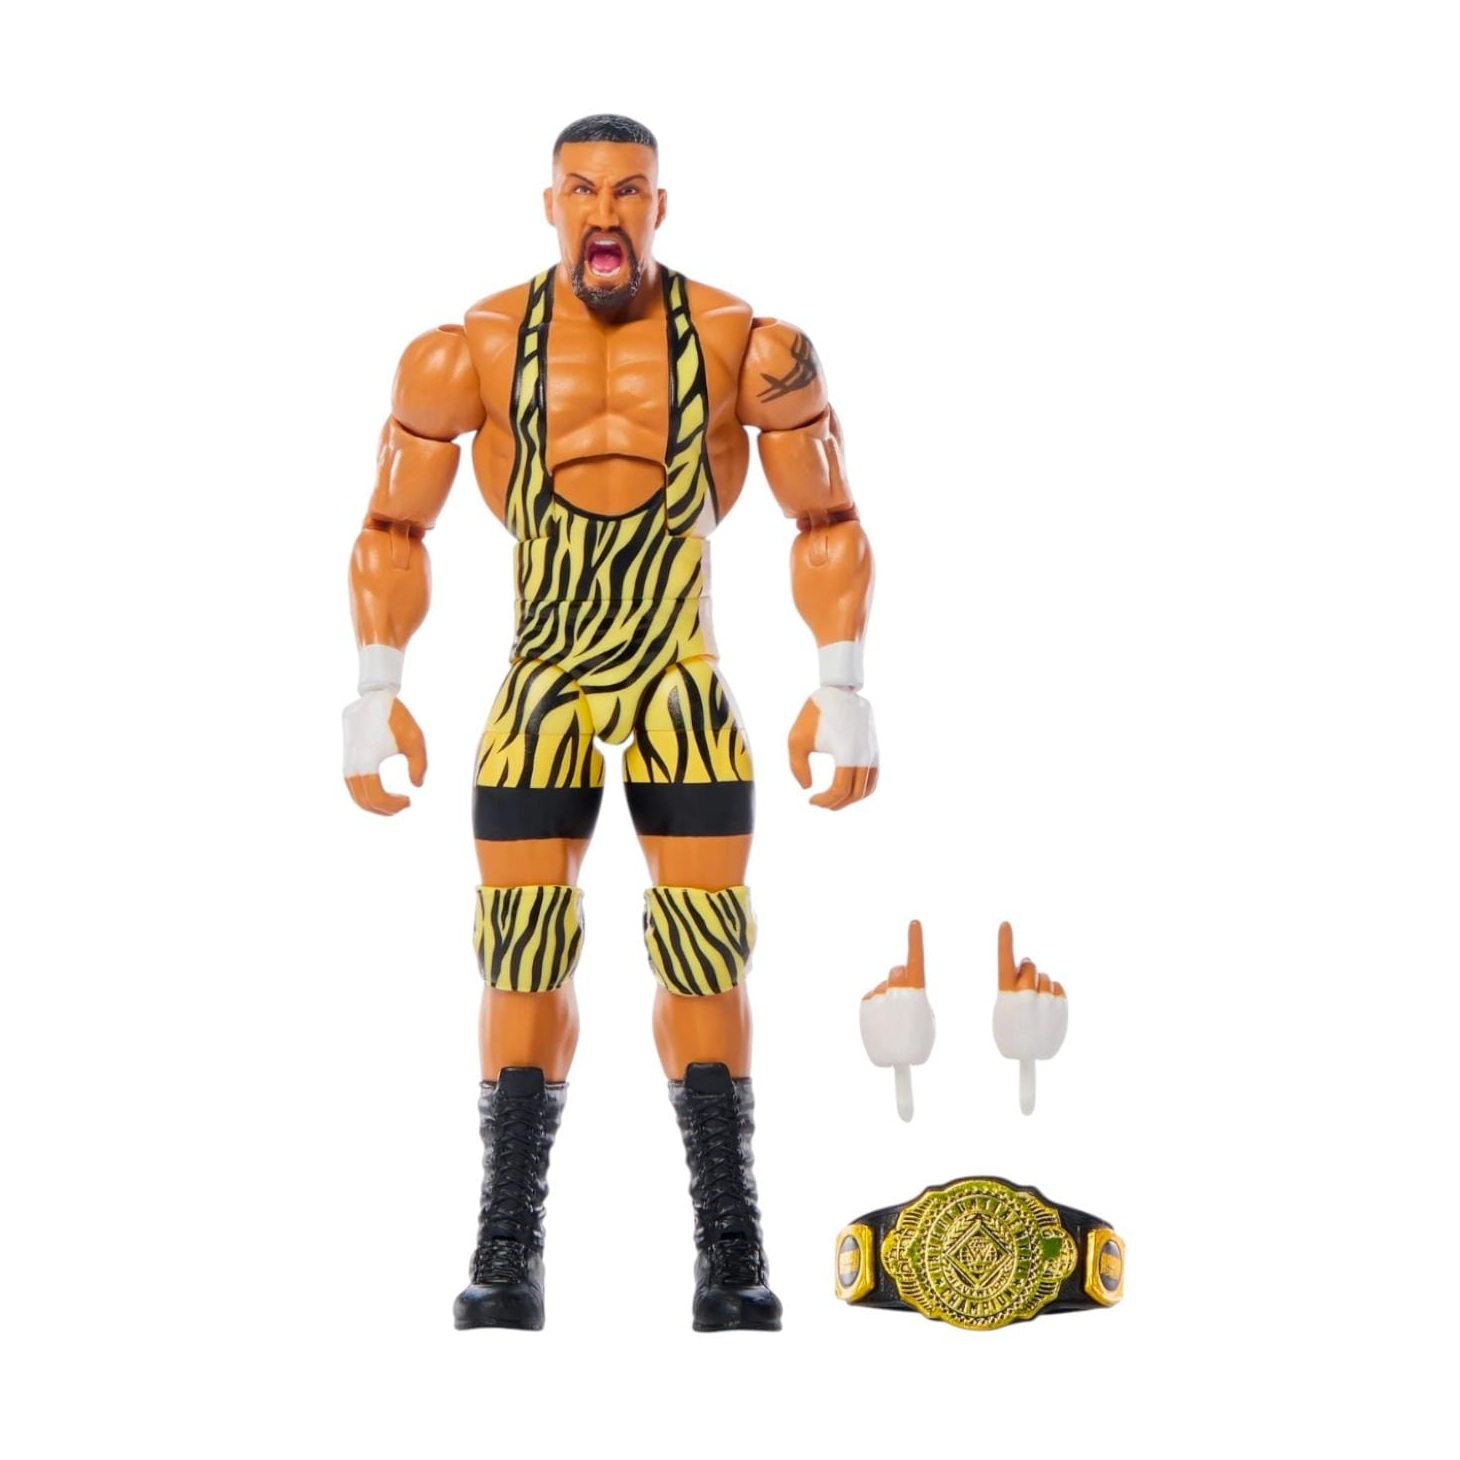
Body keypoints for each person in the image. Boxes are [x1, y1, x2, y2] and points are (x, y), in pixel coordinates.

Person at [342, 114, 878, 1331]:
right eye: (580, 189)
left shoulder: (743, 342)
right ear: (549, 205)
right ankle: (506, 1237)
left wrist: (839, 680)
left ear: (657, 207)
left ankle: (729, 1238)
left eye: (627, 190)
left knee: (706, 947)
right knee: (518, 947)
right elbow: (392, 524)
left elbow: (826, 517)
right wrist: (376, 687)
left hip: (679, 673)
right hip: (543, 676)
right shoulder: (470, 349)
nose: (603, 211)